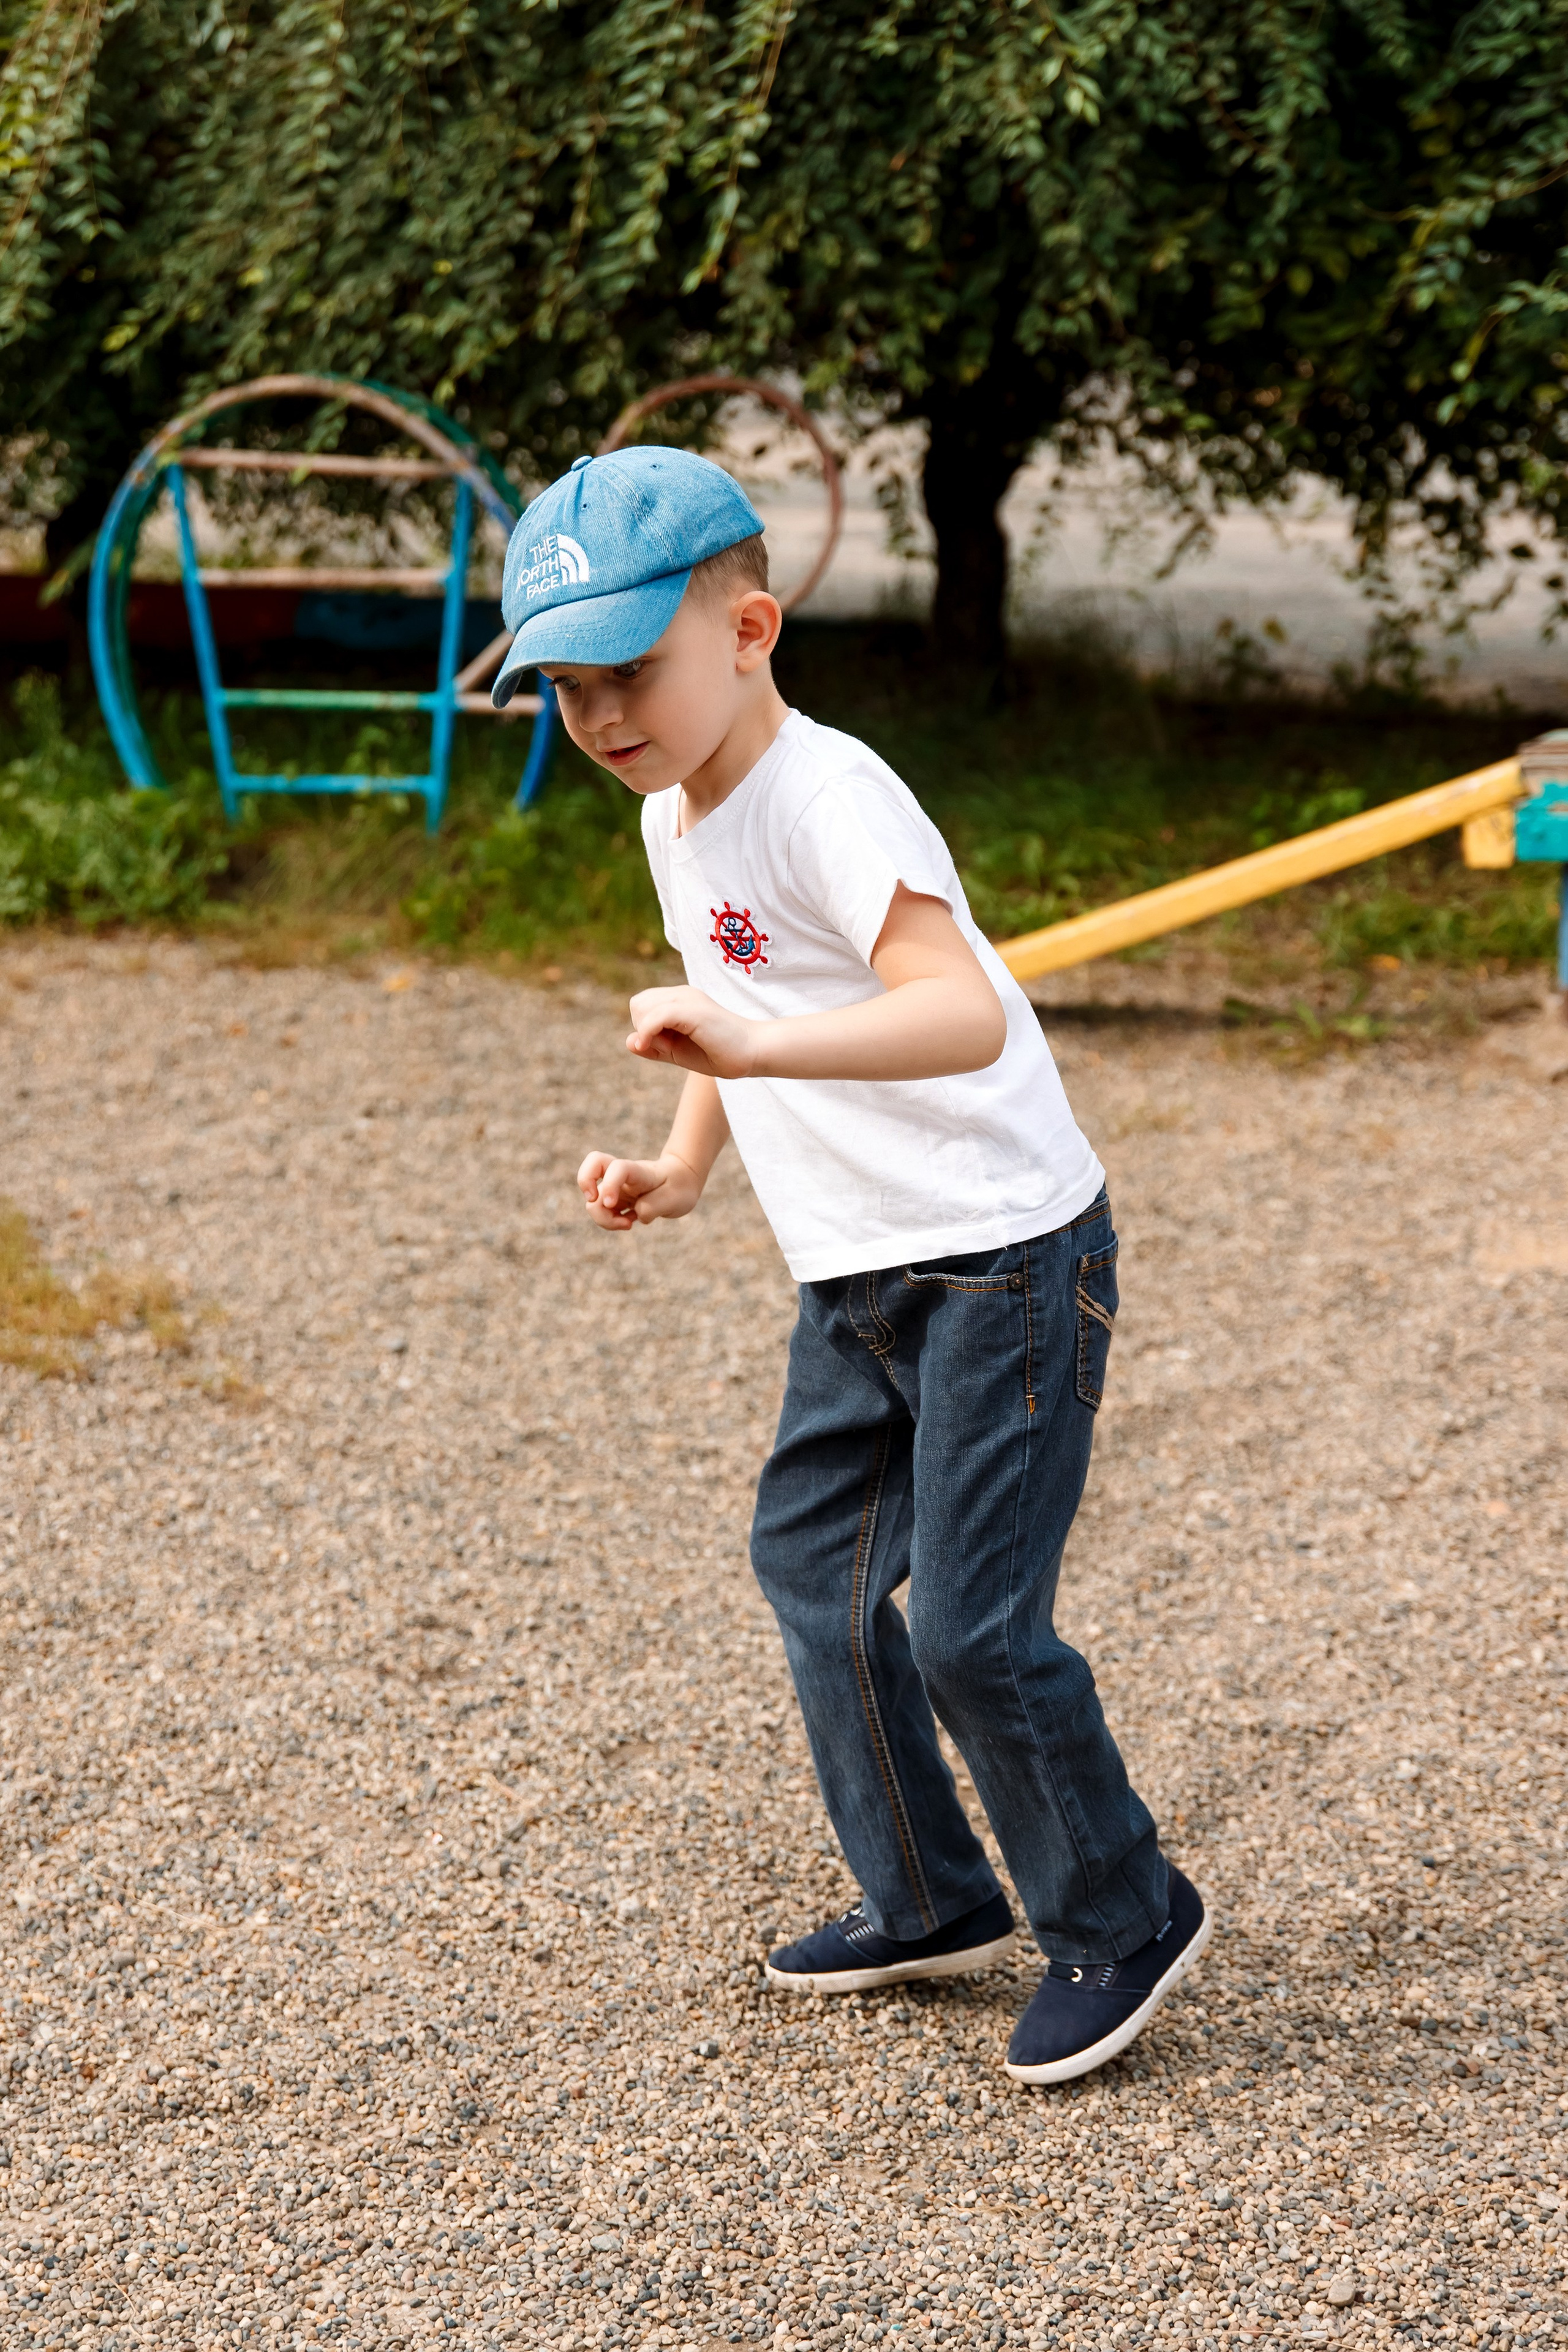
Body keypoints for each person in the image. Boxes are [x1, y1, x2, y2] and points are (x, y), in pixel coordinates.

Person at [492, 445, 1210, 2083]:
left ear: (748, 632)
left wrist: (756, 1037)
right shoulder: (678, 814)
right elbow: (727, 1008)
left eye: (631, 674)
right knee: (816, 1577)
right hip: (859, 1277)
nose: (602, 719)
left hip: (1003, 1260)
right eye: (567, 691)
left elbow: (960, 1009)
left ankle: (1122, 1911)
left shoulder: (831, 795)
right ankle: (931, 1897)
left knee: (972, 1627)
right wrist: (683, 1163)